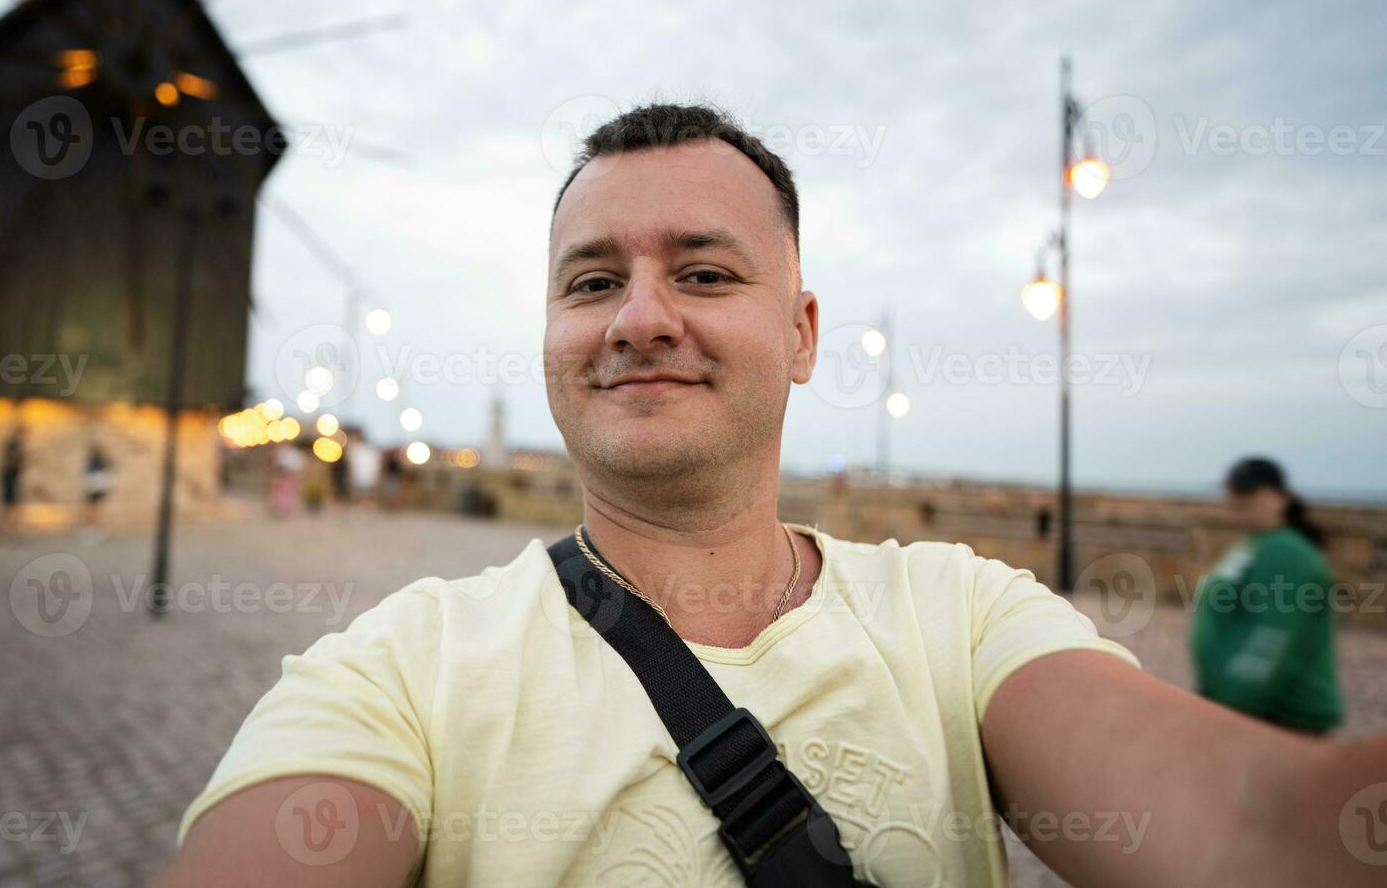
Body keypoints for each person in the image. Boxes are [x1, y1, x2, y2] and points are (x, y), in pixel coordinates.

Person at [160, 104, 1386, 887]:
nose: (640, 317)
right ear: (549, 331)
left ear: (801, 333)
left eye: (701, 270)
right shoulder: (397, 670)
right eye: (591, 282)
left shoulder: (956, 617)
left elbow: (1261, 829)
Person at [1191, 457, 1343, 734]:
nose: (1236, 497)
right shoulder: (1257, 545)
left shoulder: (1288, 553)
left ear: (1279, 498)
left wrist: (1233, 706)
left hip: (1279, 719)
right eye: (1232, 489)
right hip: (1246, 712)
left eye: (1248, 490)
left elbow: (1273, 636)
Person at [0, 425, 24, 538]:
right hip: (9, 477)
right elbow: (11, 459)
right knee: (5, 504)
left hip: (12, 477)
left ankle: (6, 528)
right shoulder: (12, 445)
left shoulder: (14, 444)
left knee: (9, 505)